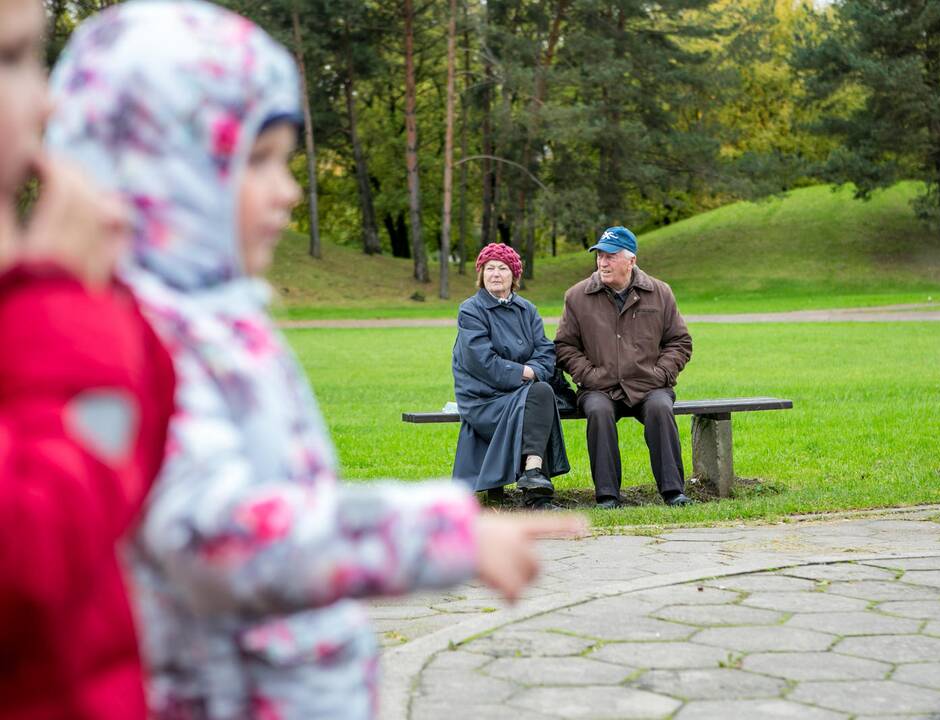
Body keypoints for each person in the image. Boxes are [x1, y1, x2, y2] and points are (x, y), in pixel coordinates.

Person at [46, 3, 584, 717]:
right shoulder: (134, 343)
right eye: (256, 161)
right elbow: (216, 536)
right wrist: (436, 532)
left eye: (287, 161)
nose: (289, 191)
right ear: (163, 165)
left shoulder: (224, 323)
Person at [0, 0, 176, 717]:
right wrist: (60, 311)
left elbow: (124, 463)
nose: (44, 99)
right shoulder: (47, 313)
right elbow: (30, 558)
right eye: (9, 59)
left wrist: (94, 304)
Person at [555, 226, 693, 509]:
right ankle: (607, 496)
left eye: (611, 256)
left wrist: (661, 374)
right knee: (598, 411)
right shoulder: (577, 296)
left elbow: (679, 342)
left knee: (660, 408)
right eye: (600, 256)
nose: (603, 262)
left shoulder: (660, 292)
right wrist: (589, 376)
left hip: (649, 384)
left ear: (631, 261)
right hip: (599, 387)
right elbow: (564, 346)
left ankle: (673, 492)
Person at [452, 243, 570, 509]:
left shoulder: (527, 309)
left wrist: (533, 371)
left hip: (522, 393)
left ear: (514, 275)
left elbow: (545, 351)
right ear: (480, 275)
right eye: (489, 268)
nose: (495, 274)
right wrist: (526, 372)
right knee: (539, 394)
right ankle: (536, 487)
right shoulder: (471, 310)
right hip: (484, 397)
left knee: (539, 394)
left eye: (502, 268)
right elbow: (482, 362)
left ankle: (533, 473)